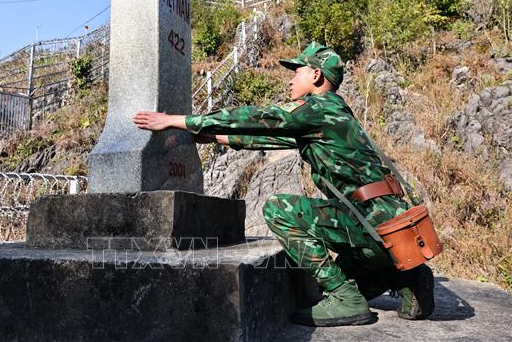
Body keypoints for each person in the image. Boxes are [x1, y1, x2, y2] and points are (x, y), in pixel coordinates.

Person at [133, 42, 434, 327]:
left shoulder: (318, 108)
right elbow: (271, 137)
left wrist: (175, 120)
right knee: (339, 274)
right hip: (394, 228)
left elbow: (259, 117)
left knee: (279, 210)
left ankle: (346, 298)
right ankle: (406, 277)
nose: (291, 79)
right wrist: (214, 136)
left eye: (297, 71)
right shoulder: (335, 112)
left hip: (371, 226)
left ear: (316, 75)